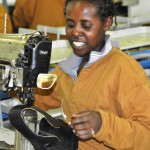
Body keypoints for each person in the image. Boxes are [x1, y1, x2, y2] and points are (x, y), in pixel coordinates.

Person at [34, 0, 150, 149]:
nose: (75, 32)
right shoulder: (69, 67)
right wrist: (21, 85)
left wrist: (102, 124)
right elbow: (42, 97)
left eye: (86, 25)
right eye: (70, 24)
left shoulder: (125, 70)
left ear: (106, 23)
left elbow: (146, 136)